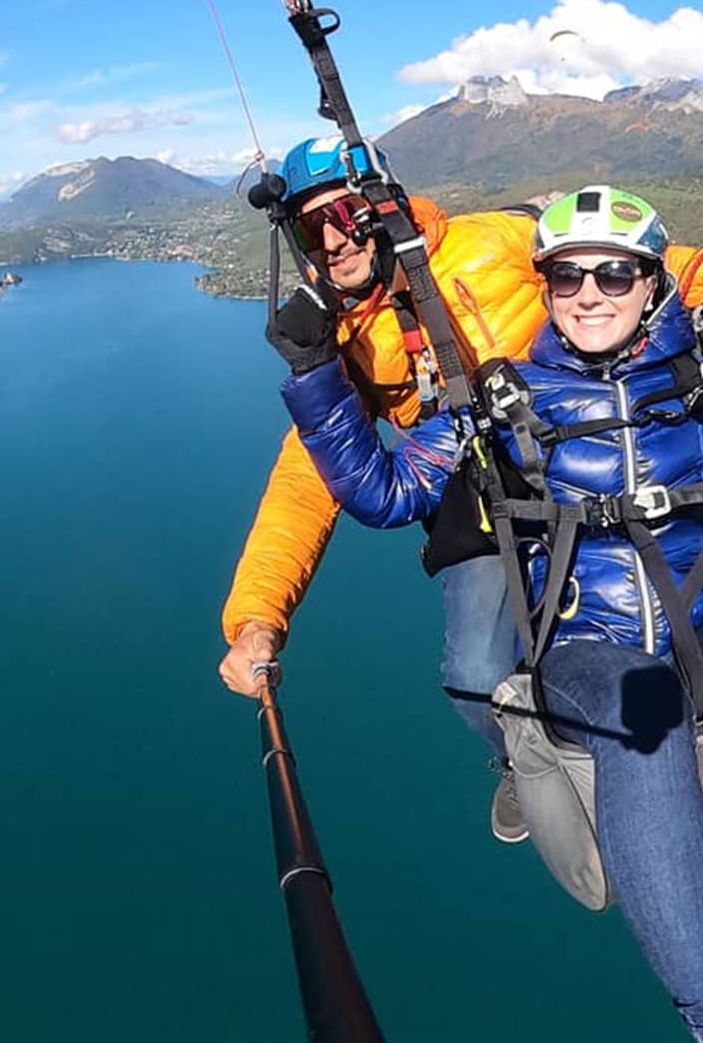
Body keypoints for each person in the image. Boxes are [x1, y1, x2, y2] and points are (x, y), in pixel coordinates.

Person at [270, 186, 703, 1038]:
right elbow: (387, 492)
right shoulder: (506, 403)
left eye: (615, 275)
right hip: (593, 651)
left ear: (655, 284)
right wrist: (317, 374)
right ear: (540, 286)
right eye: (566, 277)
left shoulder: (696, 382)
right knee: (639, 705)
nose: (588, 295)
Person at [220, 136, 703, 841]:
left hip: (576, 432)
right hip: (471, 487)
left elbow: (658, 268)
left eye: (346, 213)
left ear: (382, 206)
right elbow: (308, 480)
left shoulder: (489, 243)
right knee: (478, 671)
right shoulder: (344, 337)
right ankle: (527, 761)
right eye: (307, 226)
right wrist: (257, 617)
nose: (331, 240)